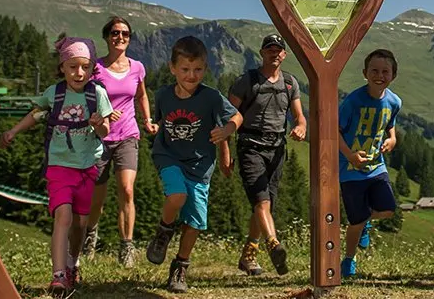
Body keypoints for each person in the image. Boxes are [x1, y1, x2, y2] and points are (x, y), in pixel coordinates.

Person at [1, 35, 112, 296]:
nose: (79, 72)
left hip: (87, 165)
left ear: (92, 67)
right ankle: (59, 275)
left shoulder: (98, 94)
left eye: (85, 66)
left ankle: (73, 263)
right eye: (72, 66)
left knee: (81, 222)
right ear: (62, 67)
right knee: (63, 216)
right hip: (59, 166)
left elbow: (106, 130)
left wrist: (99, 124)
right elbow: (36, 115)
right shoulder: (54, 94)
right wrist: (13, 131)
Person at [144, 36, 243, 293]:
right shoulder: (164, 94)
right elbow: (159, 119)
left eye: (197, 69)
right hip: (169, 156)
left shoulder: (211, 98)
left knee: (195, 222)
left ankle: (180, 266)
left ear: (205, 69)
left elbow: (237, 116)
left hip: (200, 165)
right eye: (185, 69)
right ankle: (164, 231)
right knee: (177, 194)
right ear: (172, 68)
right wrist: (154, 125)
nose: (191, 75)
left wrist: (227, 130)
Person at [228, 33, 307, 276]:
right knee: (262, 200)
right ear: (262, 53)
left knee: (264, 203)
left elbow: (299, 115)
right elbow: (227, 116)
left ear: (284, 54)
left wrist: (301, 126)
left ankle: (248, 255)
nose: (274, 53)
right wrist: (225, 151)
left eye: (278, 49)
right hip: (250, 145)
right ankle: (273, 244)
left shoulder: (290, 83)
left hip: (277, 149)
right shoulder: (246, 81)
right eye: (269, 49)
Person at [81, 16, 154, 267]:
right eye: (115, 32)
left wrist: (147, 119)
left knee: (127, 190)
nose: (120, 37)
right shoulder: (96, 68)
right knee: (96, 197)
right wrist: (101, 113)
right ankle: (90, 237)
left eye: (125, 33)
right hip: (100, 138)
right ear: (107, 36)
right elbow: (86, 100)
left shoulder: (137, 68)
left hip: (128, 135)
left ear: (129, 38)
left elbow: (142, 95)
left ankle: (127, 247)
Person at [337, 48, 402, 279]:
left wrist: (392, 139)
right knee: (355, 220)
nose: (379, 75)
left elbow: (390, 124)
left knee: (387, 209)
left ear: (393, 75)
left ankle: (365, 222)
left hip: (377, 166)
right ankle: (349, 258)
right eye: (374, 70)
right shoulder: (353, 101)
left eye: (385, 71)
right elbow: (334, 131)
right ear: (365, 73)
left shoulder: (394, 101)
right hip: (350, 170)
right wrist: (350, 155)